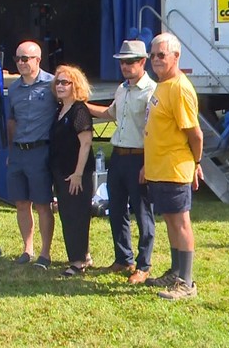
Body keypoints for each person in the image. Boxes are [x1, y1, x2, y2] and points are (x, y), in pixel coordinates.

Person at [87, 40, 157, 284]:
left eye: (130, 62)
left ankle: (144, 264)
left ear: (142, 62)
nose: (125, 66)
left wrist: (148, 165)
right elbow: (110, 114)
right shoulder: (122, 89)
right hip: (118, 156)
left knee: (143, 213)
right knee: (116, 209)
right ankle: (123, 258)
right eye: (122, 62)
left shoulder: (152, 91)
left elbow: (155, 132)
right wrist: (82, 105)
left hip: (139, 158)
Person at [143, 32, 203, 300]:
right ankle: (176, 271)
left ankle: (186, 283)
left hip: (174, 168)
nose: (155, 60)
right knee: (170, 220)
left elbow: (195, 134)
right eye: (152, 55)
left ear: (176, 56)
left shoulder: (180, 88)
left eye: (161, 55)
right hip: (159, 169)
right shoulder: (163, 83)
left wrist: (196, 162)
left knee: (180, 223)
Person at [6, 41, 56, 267]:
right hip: (18, 152)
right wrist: (10, 150)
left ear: (38, 59)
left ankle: (45, 253)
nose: (21, 63)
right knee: (21, 203)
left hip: (40, 151)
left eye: (26, 58)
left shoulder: (53, 84)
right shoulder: (14, 88)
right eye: (18, 58)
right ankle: (27, 249)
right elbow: (12, 121)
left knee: (43, 204)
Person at [49, 65, 95, 276]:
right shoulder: (60, 109)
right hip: (61, 172)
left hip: (77, 174)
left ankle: (78, 262)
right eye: (58, 82)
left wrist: (78, 173)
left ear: (75, 86)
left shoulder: (79, 110)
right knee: (67, 215)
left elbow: (85, 144)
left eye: (65, 82)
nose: (60, 86)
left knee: (77, 215)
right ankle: (81, 255)